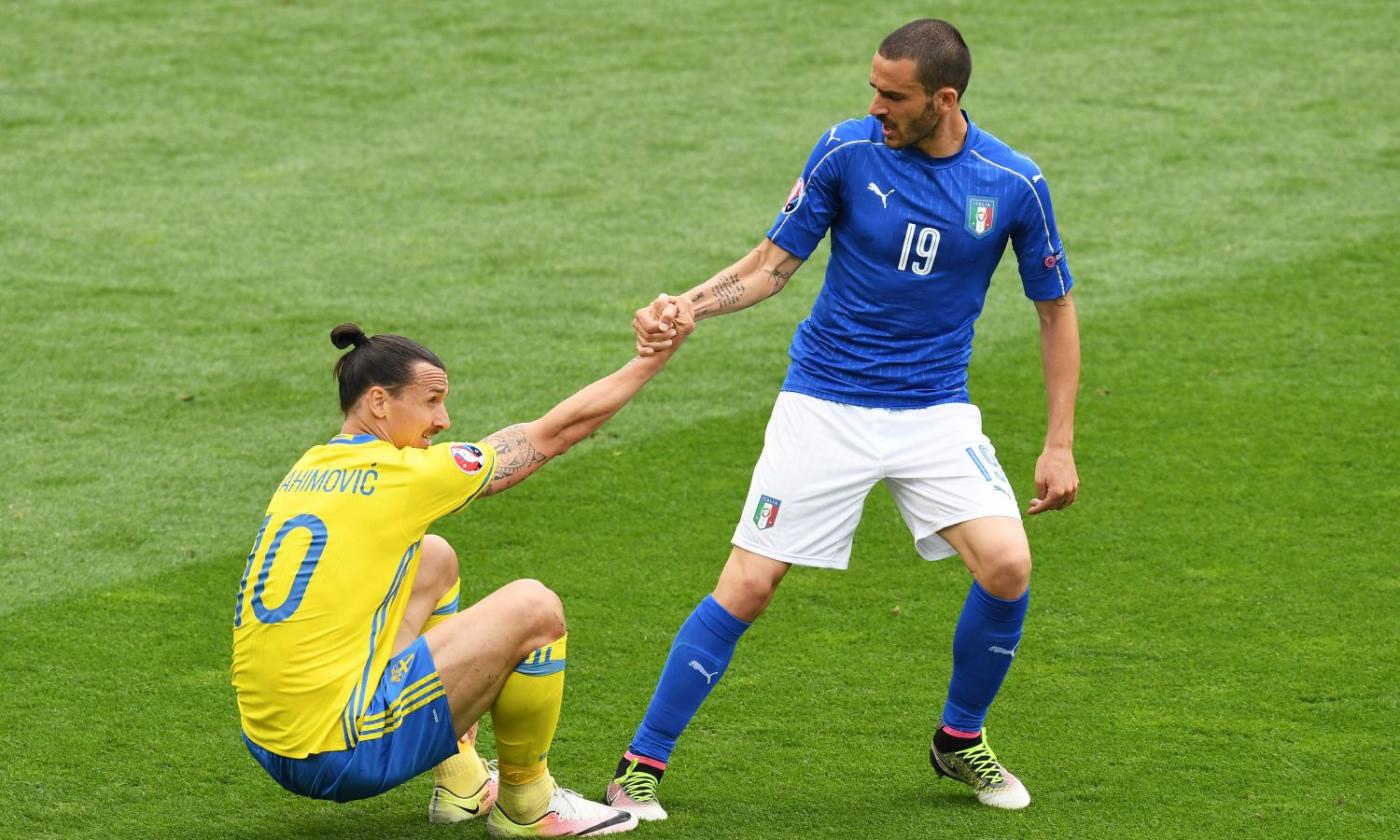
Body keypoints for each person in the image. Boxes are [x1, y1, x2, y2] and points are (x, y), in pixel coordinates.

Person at [606, 18, 1079, 815]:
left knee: (1008, 565)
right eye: (872, 88)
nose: (875, 107)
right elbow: (771, 266)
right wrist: (686, 306)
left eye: (893, 96)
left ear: (945, 98)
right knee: (750, 583)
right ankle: (639, 765)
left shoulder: (1013, 183)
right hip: (824, 403)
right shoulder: (846, 152)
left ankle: (959, 741)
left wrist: (1059, 442)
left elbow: (1055, 311)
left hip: (934, 412)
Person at [231, 311, 690, 837]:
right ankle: (529, 805)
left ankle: (461, 782)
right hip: (340, 753)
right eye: (430, 401)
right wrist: (650, 361)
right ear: (379, 401)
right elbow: (554, 434)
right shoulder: (400, 477)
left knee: (433, 558)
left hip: (269, 740)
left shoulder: (308, 469)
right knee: (533, 608)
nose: (443, 419)